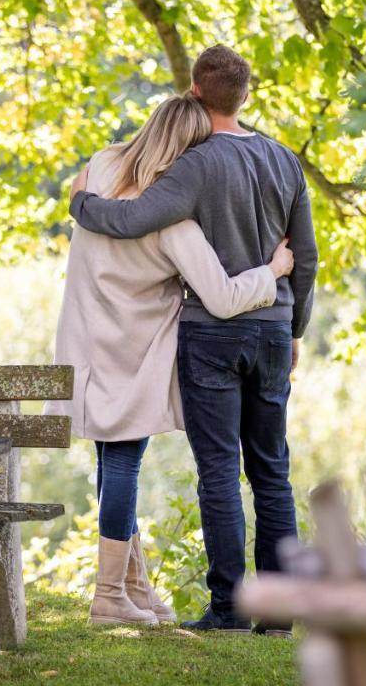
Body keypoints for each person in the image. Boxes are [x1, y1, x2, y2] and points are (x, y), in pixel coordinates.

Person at [69, 45, 318, 635]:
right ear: (247, 94)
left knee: (219, 470)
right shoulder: (285, 161)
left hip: (211, 331)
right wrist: (296, 325)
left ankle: (231, 609)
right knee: (272, 471)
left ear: (195, 91)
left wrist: (80, 202)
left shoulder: (195, 163)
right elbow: (304, 257)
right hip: (274, 331)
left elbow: (129, 221)